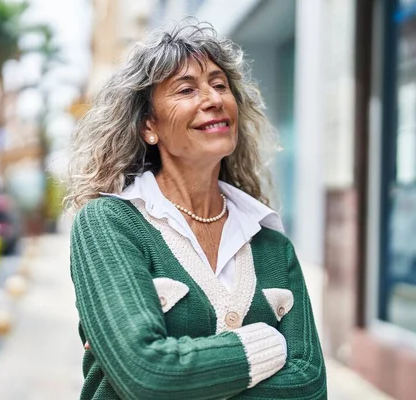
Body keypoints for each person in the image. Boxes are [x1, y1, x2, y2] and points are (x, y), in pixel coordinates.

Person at [64, 19, 327, 399]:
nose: (213, 99)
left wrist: (192, 376)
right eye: (186, 89)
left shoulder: (271, 243)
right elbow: (147, 374)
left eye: (220, 85)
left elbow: (309, 384)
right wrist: (266, 343)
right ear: (148, 126)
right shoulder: (109, 225)